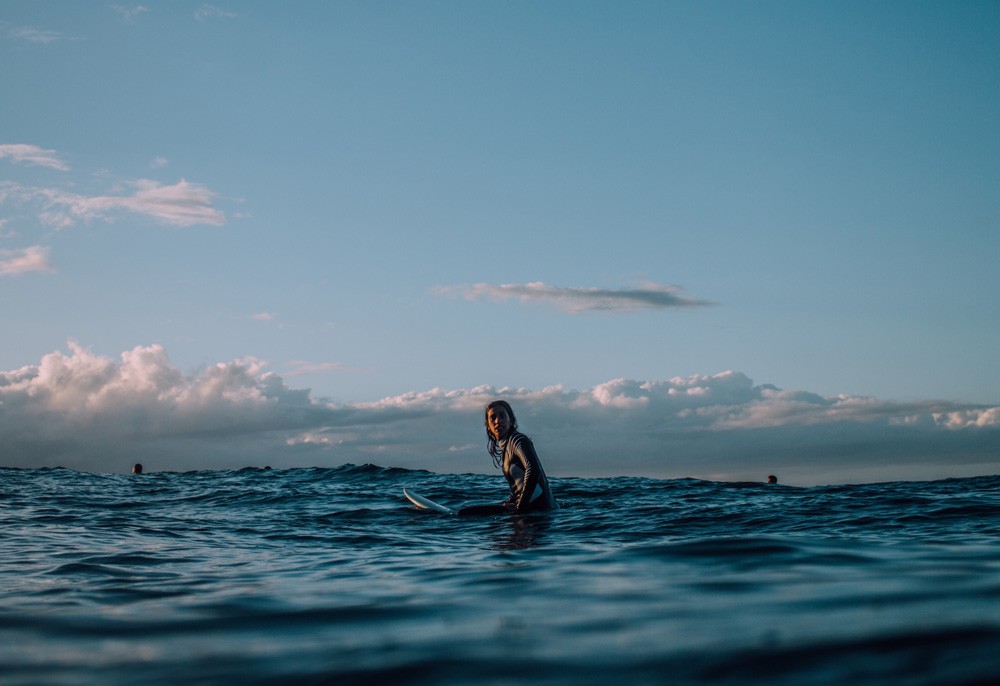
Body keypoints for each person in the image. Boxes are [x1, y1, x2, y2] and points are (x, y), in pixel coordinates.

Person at [483, 400, 558, 513]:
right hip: (532, 511)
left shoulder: (518, 440)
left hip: (541, 514)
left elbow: (532, 469)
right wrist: (511, 502)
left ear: (511, 420)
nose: (497, 421)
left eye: (502, 416)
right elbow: (518, 485)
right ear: (488, 426)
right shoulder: (507, 446)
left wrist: (520, 507)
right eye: (493, 418)